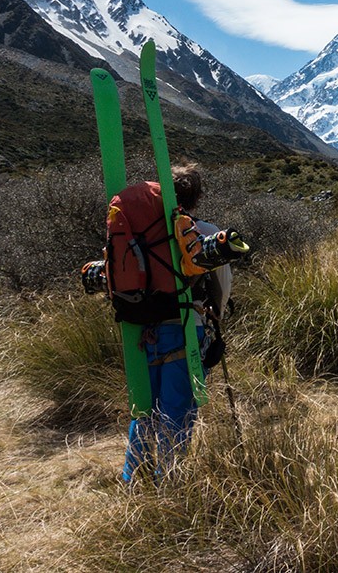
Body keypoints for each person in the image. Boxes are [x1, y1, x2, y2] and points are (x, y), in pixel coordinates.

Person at [121, 162, 232, 482]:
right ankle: (170, 487)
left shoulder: (142, 234)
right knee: (177, 414)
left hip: (143, 332)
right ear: (196, 197)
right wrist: (214, 318)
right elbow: (222, 289)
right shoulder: (205, 232)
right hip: (186, 331)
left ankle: (133, 481)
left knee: (144, 410)